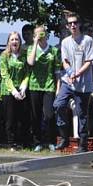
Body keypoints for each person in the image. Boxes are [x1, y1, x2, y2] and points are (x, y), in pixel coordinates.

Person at [54, 12, 93, 152]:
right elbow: (65, 61)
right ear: (67, 26)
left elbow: (89, 61)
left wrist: (78, 73)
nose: (73, 25)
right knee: (59, 105)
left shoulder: (88, 40)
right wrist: (71, 73)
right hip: (68, 81)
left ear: (79, 24)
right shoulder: (65, 42)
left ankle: (83, 144)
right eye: (70, 23)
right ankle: (64, 137)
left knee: (82, 113)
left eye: (75, 23)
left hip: (83, 83)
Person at [26, 24, 60, 152]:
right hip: (35, 86)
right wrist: (35, 44)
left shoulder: (54, 51)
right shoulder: (30, 48)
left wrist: (58, 87)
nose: (41, 36)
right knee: (36, 115)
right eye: (38, 34)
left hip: (49, 85)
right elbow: (30, 62)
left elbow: (57, 71)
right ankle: (37, 142)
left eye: (43, 33)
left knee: (49, 115)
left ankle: (51, 140)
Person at [0, 32, 29, 149]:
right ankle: (11, 143)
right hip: (8, 90)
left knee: (22, 117)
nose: (14, 42)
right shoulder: (4, 56)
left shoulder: (24, 55)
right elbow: (5, 75)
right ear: (8, 42)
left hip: (21, 89)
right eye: (12, 40)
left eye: (17, 39)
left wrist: (23, 85)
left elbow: (27, 72)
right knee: (10, 118)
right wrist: (13, 91)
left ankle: (22, 141)